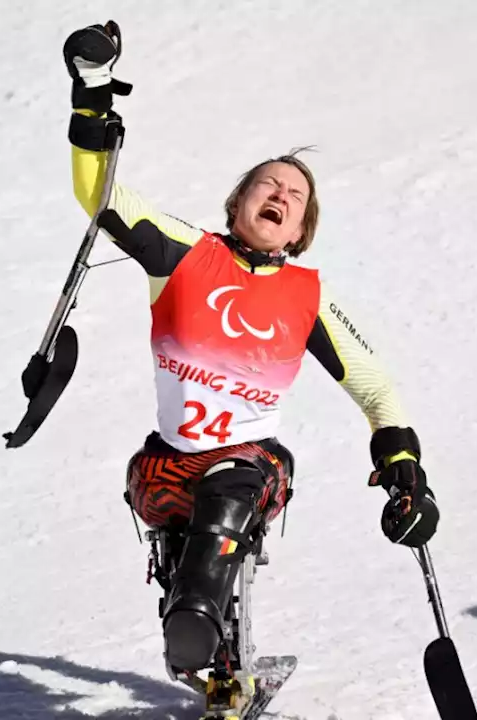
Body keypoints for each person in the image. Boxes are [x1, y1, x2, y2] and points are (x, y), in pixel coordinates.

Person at [62, 23, 441, 677]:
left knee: (233, 482)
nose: (280, 194)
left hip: (247, 469)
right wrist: (92, 95)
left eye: (294, 196)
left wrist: (403, 466)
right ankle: (194, 612)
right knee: (189, 503)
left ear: (301, 230)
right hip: (162, 472)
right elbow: (101, 198)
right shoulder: (186, 254)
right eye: (267, 185)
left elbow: (375, 386)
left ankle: (198, 616)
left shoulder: (306, 297)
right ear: (238, 202)